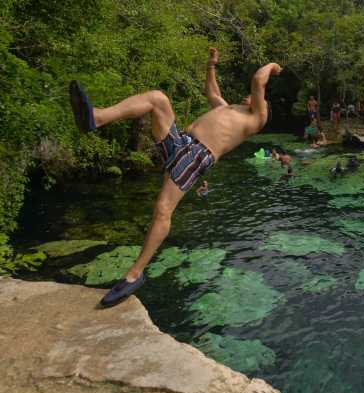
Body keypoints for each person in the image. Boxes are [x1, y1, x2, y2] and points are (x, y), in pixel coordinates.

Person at [69, 47, 282, 306]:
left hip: (196, 155)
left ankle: (134, 274)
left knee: (162, 209)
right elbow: (212, 93)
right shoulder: (230, 109)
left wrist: (272, 66)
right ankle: (95, 118)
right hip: (180, 142)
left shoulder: (256, 119)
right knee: (157, 99)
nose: (251, 96)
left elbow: (259, 80)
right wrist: (211, 66)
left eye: (258, 98)